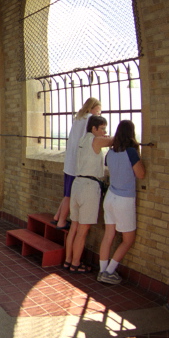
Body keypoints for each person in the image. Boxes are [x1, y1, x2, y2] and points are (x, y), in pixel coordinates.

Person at [97, 120, 145, 285]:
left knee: (108, 235)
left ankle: (102, 270)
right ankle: (109, 272)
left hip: (110, 196)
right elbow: (140, 174)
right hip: (124, 199)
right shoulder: (131, 152)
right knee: (128, 239)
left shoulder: (110, 153)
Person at [64, 115, 112, 273]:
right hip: (89, 187)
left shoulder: (83, 140)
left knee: (74, 227)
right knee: (82, 231)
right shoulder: (96, 140)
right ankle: (76, 264)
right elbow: (115, 140)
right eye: (103, 128)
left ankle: (68, 260)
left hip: (77, 184)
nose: (105, 132)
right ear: (94, 128)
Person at [54, 98, 101, 229]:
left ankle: (57, 216)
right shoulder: (90, 119)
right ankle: (62, 221)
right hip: (77, 164)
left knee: (67, 192)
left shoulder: (78, 118)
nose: (99, 113)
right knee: (70, 194)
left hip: (69, 161)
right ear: (93, 107)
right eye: (98, 110)